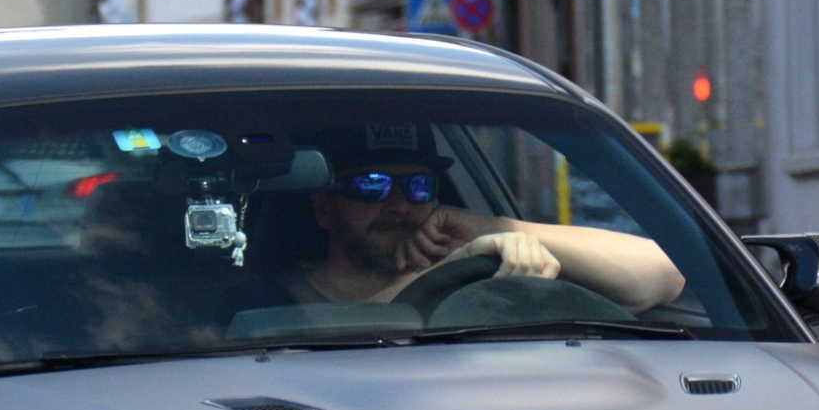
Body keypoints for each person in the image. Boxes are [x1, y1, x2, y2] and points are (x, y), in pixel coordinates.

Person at [291, 141, 685, 313]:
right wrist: (446, 273)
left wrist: (496, 227)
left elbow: (666, 276)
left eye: (418, 186)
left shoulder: (479, 273)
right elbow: (318, 334)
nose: (398, 204)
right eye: (371, 185)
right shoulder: (271, 299)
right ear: (325, 208)